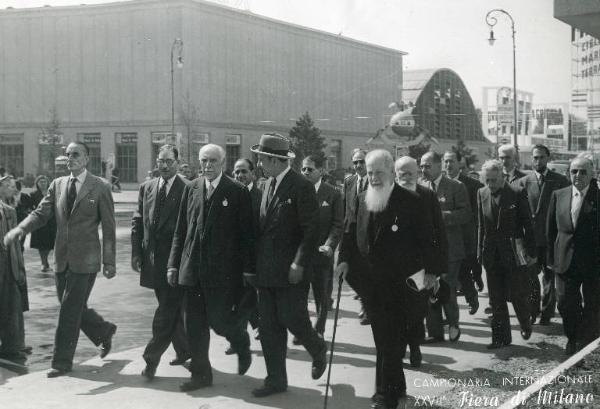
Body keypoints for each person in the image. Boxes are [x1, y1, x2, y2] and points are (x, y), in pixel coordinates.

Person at [3, 141, 117, 378]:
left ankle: (61, 362)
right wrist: (20, 229)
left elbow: (109, 227)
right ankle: (103, 330)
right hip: (62, 258)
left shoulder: (100, 187)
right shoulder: (58, 185)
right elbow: (41, 214)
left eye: (75, 155)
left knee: (68, 311)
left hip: (86, 260)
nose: (70, 159)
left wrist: (109, 261)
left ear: (86, 159)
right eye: (67, 155)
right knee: (72, 307)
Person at [338, 150, 437, 409]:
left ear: (391, 172)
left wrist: (432, 272)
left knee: (389, 342)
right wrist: (343, 260)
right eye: (369, 173)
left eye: (378, 173)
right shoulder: (361, 199)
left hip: (401, 285)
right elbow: (349, 232)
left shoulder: (411, 201)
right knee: (385, 341)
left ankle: (385, 397)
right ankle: (395, 389)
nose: (373, 178)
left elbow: (429, 239)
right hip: (369, 285)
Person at [167, 144, 254, 392]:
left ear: (223, 163)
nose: (207, 165)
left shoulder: (236, 192)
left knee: (221, 322)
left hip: (222, 273)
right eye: (203, 161)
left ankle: (240, 340)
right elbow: (180, 231)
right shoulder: (192, 188)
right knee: (194, 325)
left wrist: (247, 270)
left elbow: (247, 236)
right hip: (192, 270)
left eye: (213, 161)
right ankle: (201, 375)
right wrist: (173, 264)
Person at [246, 133, 327, 398]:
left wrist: (299, 262)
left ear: (274, 160)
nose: (258, 163)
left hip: (292, 271)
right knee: (269, 329)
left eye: (261, 159)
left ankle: (317, 348)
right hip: (267, 272)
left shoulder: (300, 186)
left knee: (294, 318)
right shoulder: (265, 185)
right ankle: (276, 380)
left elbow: (312, 231)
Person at [131, 145, 190, 380]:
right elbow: (138, 221)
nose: (164, 165)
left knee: (165, 311)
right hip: (153, 261)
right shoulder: (147, 187)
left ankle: (151, 359)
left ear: (177, 162)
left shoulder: (187, 187)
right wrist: (136, 253)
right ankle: (185, 349)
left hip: (175, 263)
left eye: (169, 161)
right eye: (160, 161)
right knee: (170, 307)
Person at [395, 156, 447, 368]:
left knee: (416, 312)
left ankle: (415, 348)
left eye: (411, 173)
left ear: (417, 174)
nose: (407, 177)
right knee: (396, 311)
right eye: (402, 173)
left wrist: (434, 271)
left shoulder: (427, 196)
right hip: (394, 268)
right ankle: (397, 351)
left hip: (419, 268)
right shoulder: (388, 196)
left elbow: (439, 234)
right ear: (395, 174)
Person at [477, 160, 534, 349]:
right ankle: (500, 338)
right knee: (496, 299)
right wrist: (480, 252)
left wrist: (531, 251)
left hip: (513, 253)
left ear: (503, 176)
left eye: (494, 180)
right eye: (487, 180)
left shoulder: (517, 193)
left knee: (517, 294)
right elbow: (481, 227)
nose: (491, 185)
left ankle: (525, 323)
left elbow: (528, 224)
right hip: (491, 254)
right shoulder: (481, 193)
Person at [547, 156, 600, 355]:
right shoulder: (558, 195)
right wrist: (550, 259)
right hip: (564, 260)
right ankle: (573, 337)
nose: (578, 175)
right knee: (565, 303)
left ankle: (586, 344)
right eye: (574, 171)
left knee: (594, 305)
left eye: (583, 172)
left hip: (592, 263)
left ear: (592, 173)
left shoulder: (598, 197)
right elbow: (551, 230)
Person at [419, 151, 470, 343]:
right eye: (422, 166)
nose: (424, 169)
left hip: (450, 248)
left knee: (446, 288)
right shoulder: (420, 186)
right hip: (428, 250)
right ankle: (435, 332)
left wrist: (442, 216)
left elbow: (466, 214)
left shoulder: (456, 187)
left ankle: (453, 323)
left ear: (439, 165)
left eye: (427, 165)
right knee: (430, 287)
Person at [518, 145, 569, 326]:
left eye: (541, 157)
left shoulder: (560, 181)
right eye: (535, 157)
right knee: (530, 277)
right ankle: (533, 311)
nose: (537, 161)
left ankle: (547, 313)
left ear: (548, 158)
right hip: (530, 239)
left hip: (551, 239)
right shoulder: (523, 182)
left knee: (550, 277)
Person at [300, 154, 343, 336]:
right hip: (301, 253)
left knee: (321, 295)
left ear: (321, 171)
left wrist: (329, 245)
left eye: (310, 169)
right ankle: (302, 330)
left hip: (322, 253)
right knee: (299, 295)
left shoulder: (332, 193)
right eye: (303, 169)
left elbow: (337, 224)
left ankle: (319, 331)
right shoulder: (297, 191)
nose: (305, 172)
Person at [443, 151, 484, 313]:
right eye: (445, 161)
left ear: (460, 163)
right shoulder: (439, 184)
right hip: (446, 237)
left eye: (451, 161)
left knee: (465, 271)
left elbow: (475, 215)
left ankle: (471, 297)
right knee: (450, 275)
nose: (448, 165)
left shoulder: (473, 185)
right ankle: (451, 310)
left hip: (465, 236)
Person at [0, 175, 28, 367]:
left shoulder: (10, 210)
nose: (13, 189)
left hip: (8, 264)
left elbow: (16, 245)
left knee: (11, 304)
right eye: (8, 186)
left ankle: (12, 345)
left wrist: (19, 266)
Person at [342, 148, 370, 325]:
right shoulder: (349, 181)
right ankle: (365, 300)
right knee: (349, 274)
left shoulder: (374, 182)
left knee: (366, 273)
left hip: (367, 237)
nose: (359, 165)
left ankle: (367, 307)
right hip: (350, 235)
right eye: (356, 162)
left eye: (362, 161)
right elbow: (346, 209)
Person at [30, 175, 57, 273]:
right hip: (40, 223)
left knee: (51, 243)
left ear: (48, 183)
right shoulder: (33, 194)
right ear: (37, 183)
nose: (42, 183)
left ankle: (46, 263)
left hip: (52, 222)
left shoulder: (52, 193)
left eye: (44, 181)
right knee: (41, 244)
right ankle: (44, 263)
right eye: (40, 182)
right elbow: (30, 208)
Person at [13, 179, 35, 251]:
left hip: (23, 221)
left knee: (21, 242)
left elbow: (31, 207)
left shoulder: (25, 196)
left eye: (15, 187)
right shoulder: (8, 197)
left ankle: (20, 257)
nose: (14, 189)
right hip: (11, 221)